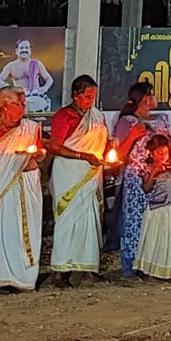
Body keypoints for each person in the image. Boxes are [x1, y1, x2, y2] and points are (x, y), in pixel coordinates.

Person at [0, 87, 44, 292]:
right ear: (4, 105)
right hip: (0, 188)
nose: (23, 107)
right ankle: (1, 277)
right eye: (18, 103)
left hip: (28, 184)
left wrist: (37, 155)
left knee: (28, 231)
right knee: (2, 230)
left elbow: (40, 153)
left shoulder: (31, 128)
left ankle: (24, 278)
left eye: (24, 103)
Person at [47, 75, 109, 285]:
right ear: (76, 95)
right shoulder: (65, 116)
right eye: (87, 96)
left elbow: (103, 143)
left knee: (89, 221)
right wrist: (83, 156)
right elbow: (54, 146)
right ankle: (60, 271)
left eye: (93, 96)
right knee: (67, 221)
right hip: (69, 173)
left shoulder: (97, 116)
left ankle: (87, 268)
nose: (91, 101)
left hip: (91, 173)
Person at [110, 82, 170, 278]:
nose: (155, 99)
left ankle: (152, 261)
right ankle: (132, 264)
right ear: (145, 98)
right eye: (153, 95)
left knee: (154, 220)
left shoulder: (161, 120)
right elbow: (118, 153)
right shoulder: (127, 122)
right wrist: (133, 136)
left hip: (158, 176)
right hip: (136, 178)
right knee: (135, 221)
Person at [135, 136, 171, 280]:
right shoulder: (148, 169)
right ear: (151, 153)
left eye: (166, 153)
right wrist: (155, 173)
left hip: (169, 208)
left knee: (166, 239)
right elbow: (146, 188)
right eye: (159, 153)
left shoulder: (170, 169)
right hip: (155, 209)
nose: (163, 157)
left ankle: (165, 271)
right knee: (153, 240)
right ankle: (149, 270)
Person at [0, 39, 54, 112]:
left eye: (26, 48)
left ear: (30, 50)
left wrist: (44, 88)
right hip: (18, 97)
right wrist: (9, 88)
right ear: (16, 51)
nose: (24, 50)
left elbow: (49, 79)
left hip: (35, 97)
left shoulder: (37, 64)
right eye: (21, 48)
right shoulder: (10, 66)